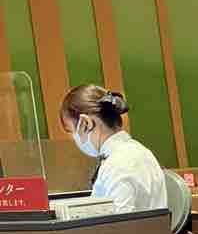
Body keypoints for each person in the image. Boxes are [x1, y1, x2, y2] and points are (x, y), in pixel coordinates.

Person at [59, 84, 167, 213]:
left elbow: (119, 222)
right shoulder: (137, 150)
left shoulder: (119, 163)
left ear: (85, 123)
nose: (74, 137)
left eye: (71, 131)